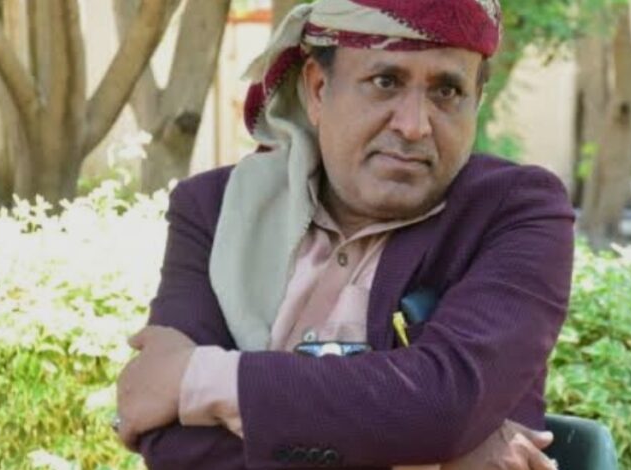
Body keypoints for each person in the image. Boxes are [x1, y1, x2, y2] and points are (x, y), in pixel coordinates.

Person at [115, 0, 575, 468]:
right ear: (318, 89)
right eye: (386, 82)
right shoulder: (216, 210)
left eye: (447, 91)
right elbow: (174, 444)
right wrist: (428, 457)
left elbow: (447, 402)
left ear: (475, 102)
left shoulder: (513, 212)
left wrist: (197, 379)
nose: (414, 125)